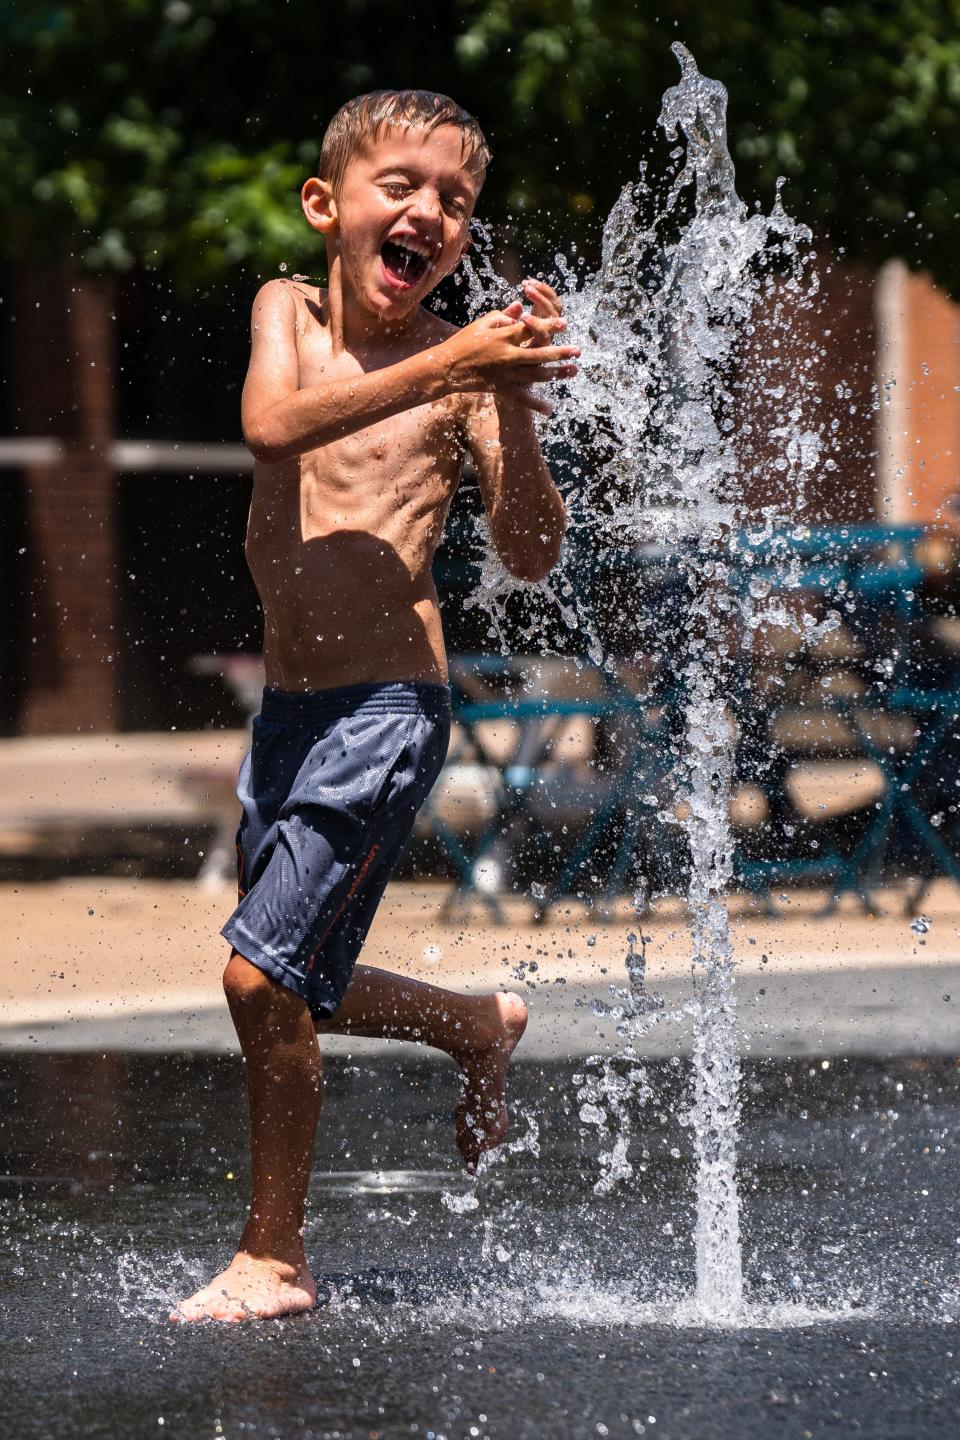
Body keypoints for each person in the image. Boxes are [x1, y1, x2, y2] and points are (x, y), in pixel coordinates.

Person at [171, 89, 578, 1322]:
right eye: (402, 186)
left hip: (387, 709)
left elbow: (534, 551)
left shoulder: (460, 376)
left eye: (456, 202)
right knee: (298, 976)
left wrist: (504, 393)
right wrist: (463, 357)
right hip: (289, 715)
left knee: (258, 981)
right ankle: (475, 1024)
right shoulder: (283, 315)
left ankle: (274, 1260)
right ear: (327, 205)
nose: (430, 215)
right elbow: (270, 426)